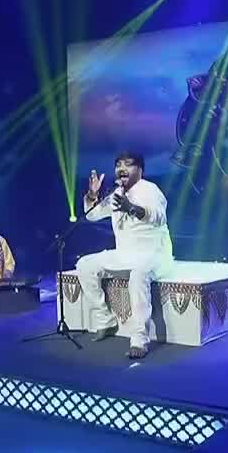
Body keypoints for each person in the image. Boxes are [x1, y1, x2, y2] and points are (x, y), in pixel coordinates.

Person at [77, 151, 173, 359]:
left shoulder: (150, 190)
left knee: (138, 274)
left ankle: (139, 339)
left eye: (128, 164)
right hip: (125, 254)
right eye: (118, 165)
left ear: (140, 170)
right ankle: (106, 319)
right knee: (85, 265)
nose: (121, 168)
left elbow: (159, 216)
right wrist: (93, 195)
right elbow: (92, 215)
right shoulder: (115, 195)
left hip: (154, 255)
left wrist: (132, 208)